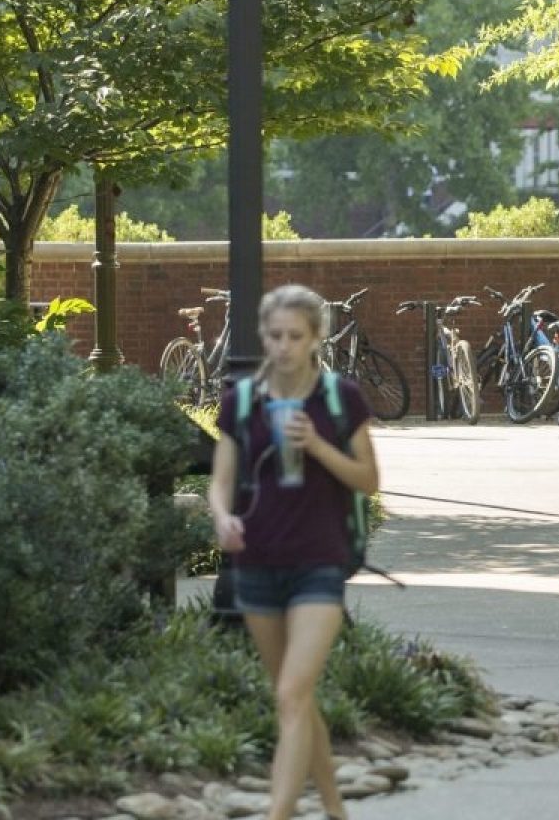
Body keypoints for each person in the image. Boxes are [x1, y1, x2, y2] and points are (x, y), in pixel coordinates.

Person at [209, 285, 380, 820]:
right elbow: (221, 481)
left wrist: (320, 446)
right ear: (263, 336)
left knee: (291, 693)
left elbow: (368, 480)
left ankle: (278, 812)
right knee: (296, 701)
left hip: (319, 563)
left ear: (315, 339)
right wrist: (221, 518)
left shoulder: (339, 399)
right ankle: (335, 809)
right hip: (257, 563)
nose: (284, 346)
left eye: (295, 336)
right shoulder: (242, 401)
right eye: (275, 335)